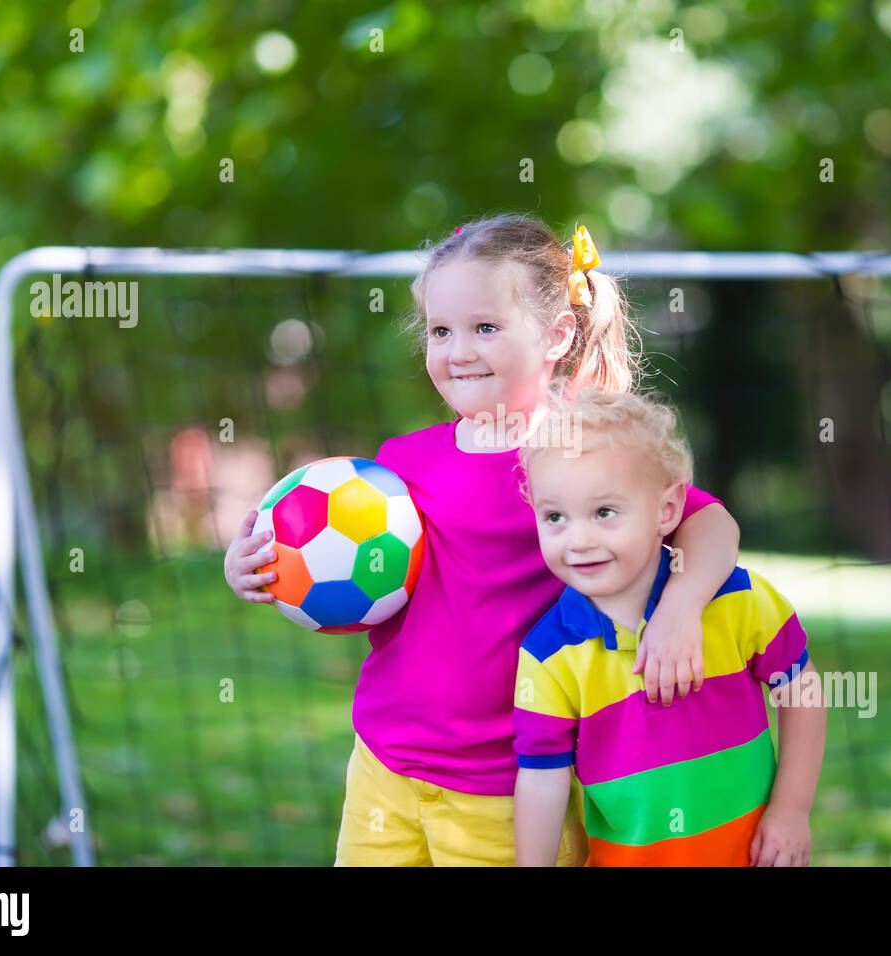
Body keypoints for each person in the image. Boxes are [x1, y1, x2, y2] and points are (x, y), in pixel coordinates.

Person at [224, 213, 742, 865]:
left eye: (485, 328)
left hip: (512, 786)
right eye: (440, 331)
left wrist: (680, 610)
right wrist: (249, 568)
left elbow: (711, 522)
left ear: (556, 335)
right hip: (384, 768)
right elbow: (351, 573)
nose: (457, 351)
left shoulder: (581, 455)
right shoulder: (397, 464)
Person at [512, 387, 826, 866]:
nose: (578, 539)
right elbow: (541, 779)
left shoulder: (738, 600)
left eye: (604, 512)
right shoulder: (547, 654)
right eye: (554, 516)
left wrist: (791, 809)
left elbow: (801, 690)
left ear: (667, 510)